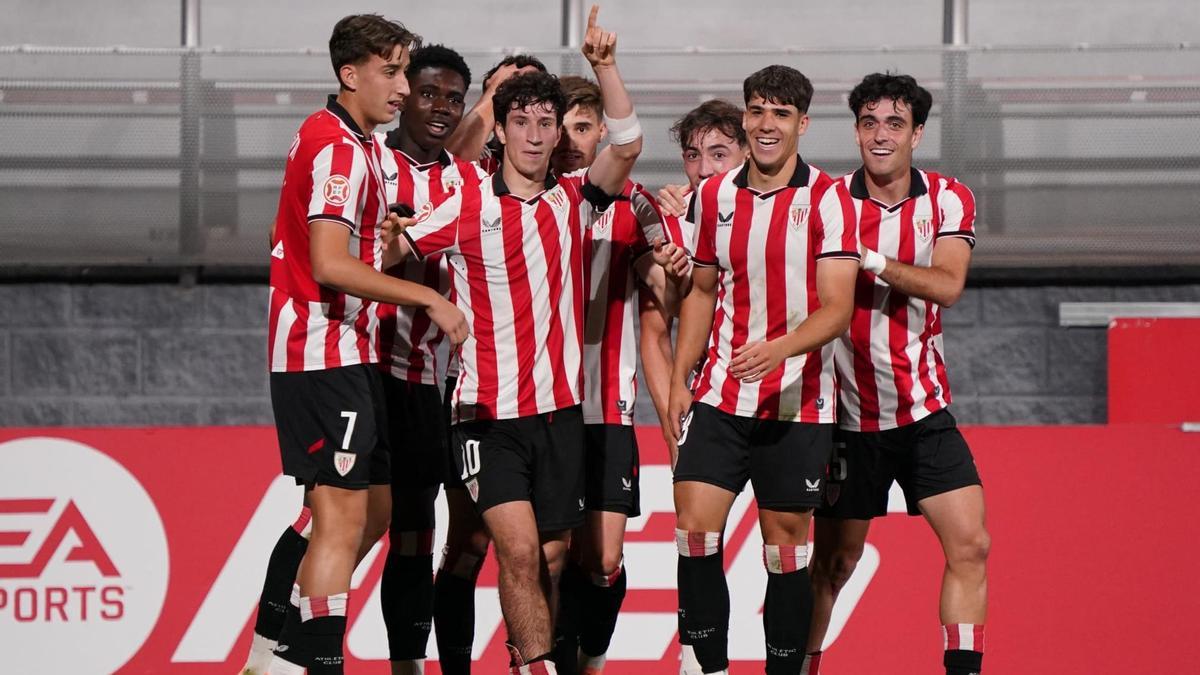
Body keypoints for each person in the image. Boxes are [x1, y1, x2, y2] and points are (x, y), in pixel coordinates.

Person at [388, 8, 642, 673]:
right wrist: (425, 296)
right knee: (519, 552)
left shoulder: (573, 200)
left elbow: (630, 141)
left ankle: (524, 655)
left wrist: (603, 65)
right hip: (485, 415)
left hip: (558, 415)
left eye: (544, 123)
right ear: (498, 129)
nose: (534, 135)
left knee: (555, 556)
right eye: (520, 122)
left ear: (557, 132)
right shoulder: (467, 202)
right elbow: (391, 251)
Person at [262, 14, 467, 675]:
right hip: (322, 354)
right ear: (350, 75)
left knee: (372, 510)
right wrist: (427, 296)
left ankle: (280, 653)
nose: (404, 87)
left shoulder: (348, 140)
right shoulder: (340, 150)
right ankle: (306, 660)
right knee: (341, 523)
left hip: (337, 355)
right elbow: (327, 262)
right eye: (392, 72)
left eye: (406, 71)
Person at [665, 65, 859, 675]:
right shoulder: (713, 195)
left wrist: (781, 349)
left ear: (802, 123)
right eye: (756, 111)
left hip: (795, 405)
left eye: (779, 113)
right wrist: (679, 378)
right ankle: (711, 669)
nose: (765, 124)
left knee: (784, 549)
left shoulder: (830, 199)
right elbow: (699, 291)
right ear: (745, 118)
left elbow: (838, 307)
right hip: (721, 395)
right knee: (694, 533)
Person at [805, 72, 989, 675]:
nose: (880, 135)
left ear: (917, 134)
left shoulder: (948, 198)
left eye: (894, 124)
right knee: (835, 566)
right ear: (856, 131)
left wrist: (873, 260)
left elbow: (948, 284)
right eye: (868, 123)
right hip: (848, 420)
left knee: (971, 545)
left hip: (924, 412)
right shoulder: (827, 202)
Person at [545, 75, 677, 675]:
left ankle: (591, 662)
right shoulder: (526, 197)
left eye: (582, 127)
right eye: (560, 127)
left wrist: (672, 265)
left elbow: (664, 289)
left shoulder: (635, 203)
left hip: (606, 408)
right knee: (547, 557)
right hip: (540, 405)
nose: (570, 140)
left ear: (602, 131)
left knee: (601, 561)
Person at [373, 43, 485, 675]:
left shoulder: (471, 179)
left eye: (453, 98)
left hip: (466, 383)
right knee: (407, 526)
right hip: (392, 377)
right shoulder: (370, 164)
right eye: (429, 93)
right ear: (401, 97)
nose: (441, 107)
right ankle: (404, 665)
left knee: (470, 540)